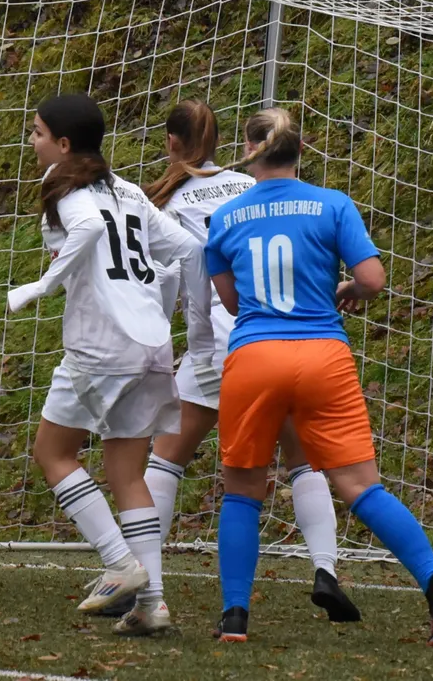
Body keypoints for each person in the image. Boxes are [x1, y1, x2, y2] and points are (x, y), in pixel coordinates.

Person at [203, 107, 433, 645]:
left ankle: (235, 619)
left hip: (255, 356)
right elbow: (372, 279)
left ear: (249, 150)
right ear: (300, 150)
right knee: (361, 486)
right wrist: (346, 292)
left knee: (243, 491)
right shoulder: (333, 203)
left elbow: (229, 299)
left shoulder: (224, 217)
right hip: (323, 354)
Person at [137, 99, 359, 622]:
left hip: (224, 341)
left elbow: (174, 288)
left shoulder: (164, 206)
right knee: (301, 459)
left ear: (171, 143)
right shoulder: (252, 187)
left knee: (167, 458)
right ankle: (326, 568)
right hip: (281, 336)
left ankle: (140, 577)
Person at [7, 93, 215, 636]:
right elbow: (192, 251)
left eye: (36, 132)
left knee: (53, 453)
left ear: (64, 144)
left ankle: (118, 562)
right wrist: (199, 337)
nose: (32, 141)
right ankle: (152, 604)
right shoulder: (129, 192)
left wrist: (40, 286)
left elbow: (89, 232)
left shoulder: (65, 192)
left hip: (100, 349)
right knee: (126, 471)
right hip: (151, 347)